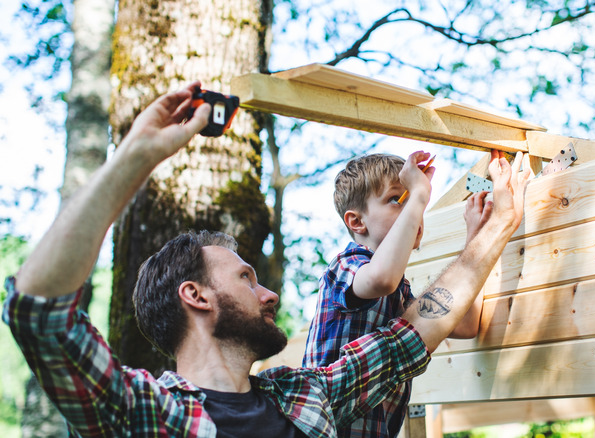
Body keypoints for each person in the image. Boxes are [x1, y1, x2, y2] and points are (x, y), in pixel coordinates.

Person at [2, 82, 532, 437]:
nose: (270, 293)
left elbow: (418, 331)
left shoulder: (309, 397)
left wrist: (495, 229)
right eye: (246, 279)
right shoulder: (148, 414)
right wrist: (138, 152)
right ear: (197, 296)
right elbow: (42, 318)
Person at [303, 153, 492, 437]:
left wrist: (477, 238)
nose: (412, 210)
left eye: (412, 201)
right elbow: (381, 278)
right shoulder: (345, 266)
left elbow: (464, 324)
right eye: (396, 200)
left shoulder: (399, 291)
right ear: (356, 222)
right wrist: (418, 193)